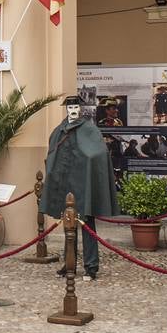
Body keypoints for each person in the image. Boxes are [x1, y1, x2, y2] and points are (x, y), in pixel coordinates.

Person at [41, 96, 118, 281]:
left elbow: (98, 153)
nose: (73, 109)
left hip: (84, 185)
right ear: (66, 109)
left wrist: (87, 161)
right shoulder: (59, 130)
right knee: (69, 227)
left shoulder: (89, 129)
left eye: (76, 106)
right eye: (70, 106)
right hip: (66, 185)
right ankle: (69, 264)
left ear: (80, 108)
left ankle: (91, 267)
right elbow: (53, 153)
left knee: (87, 225)